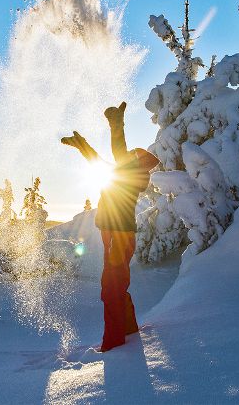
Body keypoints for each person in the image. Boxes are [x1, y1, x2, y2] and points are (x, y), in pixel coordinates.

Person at [61, 102, 159, 352]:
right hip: (115, 234)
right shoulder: (125, 173)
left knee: (111, 290)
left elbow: (118, 150)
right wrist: (80, 144)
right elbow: (98, 161)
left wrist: (117, 123)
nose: (126, 157)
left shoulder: (134, 176)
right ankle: (127, 330)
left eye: (132, 156)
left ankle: (114, 343)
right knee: (117, 285)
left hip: (118, 234)